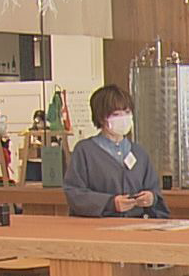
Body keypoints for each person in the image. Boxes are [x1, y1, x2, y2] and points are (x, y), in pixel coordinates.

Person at [62, 84, 170, 218]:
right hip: (98, 226)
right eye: (116, 114)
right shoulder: (85, 151)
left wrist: (151, 198)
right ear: (101, 118)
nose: (123, 118)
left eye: (127, 112)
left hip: (135, 225)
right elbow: (75, 193)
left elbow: (154, 189)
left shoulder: (139, 153)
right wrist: (110, 203)